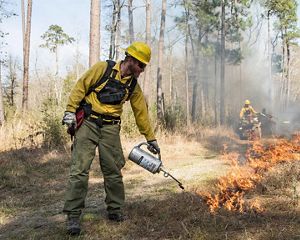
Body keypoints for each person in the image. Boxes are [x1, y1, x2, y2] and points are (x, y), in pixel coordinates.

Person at [61, 41, 160, 235]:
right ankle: (73, 216)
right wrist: (70, 111)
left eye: (144, 66)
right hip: (88, 123)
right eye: (141, 65)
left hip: (111, 128)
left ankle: (115, 210)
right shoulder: (103, 68)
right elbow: (81, 86)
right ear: (130, 59)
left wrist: (150, 138)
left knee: (113, 170)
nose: (142, 69)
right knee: (79, 171)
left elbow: (141, 112)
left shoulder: (132, 85)